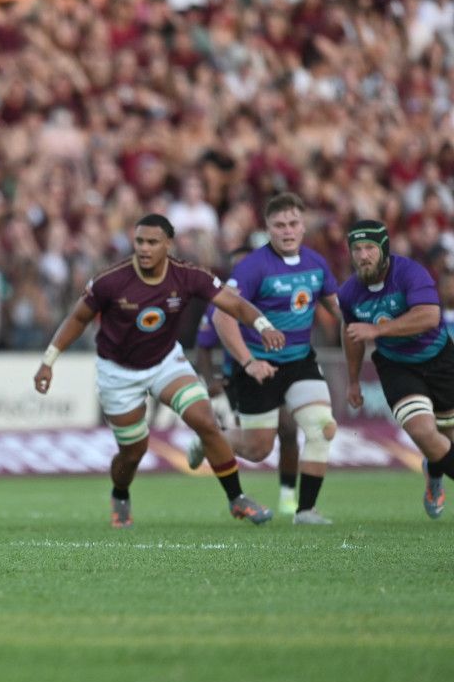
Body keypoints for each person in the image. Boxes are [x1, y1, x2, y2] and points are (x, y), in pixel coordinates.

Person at [33, 213, 286, 529]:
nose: (144, 248)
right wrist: (48, 361)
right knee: (133, 453)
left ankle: (237, 499)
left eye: (152, 242)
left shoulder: (187, 276)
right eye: (139, 241)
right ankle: (120, 495)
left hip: (165, 363)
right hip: (118, 373)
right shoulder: (111, 281)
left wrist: (263, 325)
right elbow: (77, 318)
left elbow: (233, 304)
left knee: (205, 421)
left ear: (168, 244)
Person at [188, 193, 339, 524]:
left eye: (293, 223)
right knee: (258, 450)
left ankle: (305, 511)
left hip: (300, 361)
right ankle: (211, 437)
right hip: (259, 365)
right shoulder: (253, 267)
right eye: (279, 225)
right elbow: (222, 317)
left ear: (303, 226)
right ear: (267, 229)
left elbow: (338, 308)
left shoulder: (316, 263)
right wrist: (248, 362)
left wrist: (368, 328)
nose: (287, 231)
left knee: (322, 427)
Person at [340, 219, 454, 519]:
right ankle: (435, 465)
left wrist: (378, 330)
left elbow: (429, 316)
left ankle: (434, 472)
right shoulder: (349, 292)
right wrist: (353, 381)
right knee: (423, 431)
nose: (363, 255)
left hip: (439, 359)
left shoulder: (410, 273)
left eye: (369, 248)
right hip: (397, 366)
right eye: (357, 249)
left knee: (446, 439)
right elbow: (351, 333)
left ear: (384, 249)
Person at [195, 302, 300, 515]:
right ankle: (210, 440)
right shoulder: (221, 303)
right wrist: (209, 380)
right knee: (257, 448)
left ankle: (288, 496)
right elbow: (203, 344)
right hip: (241, 377)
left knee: (289, 429)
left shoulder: (274, 294)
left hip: (278, 370)